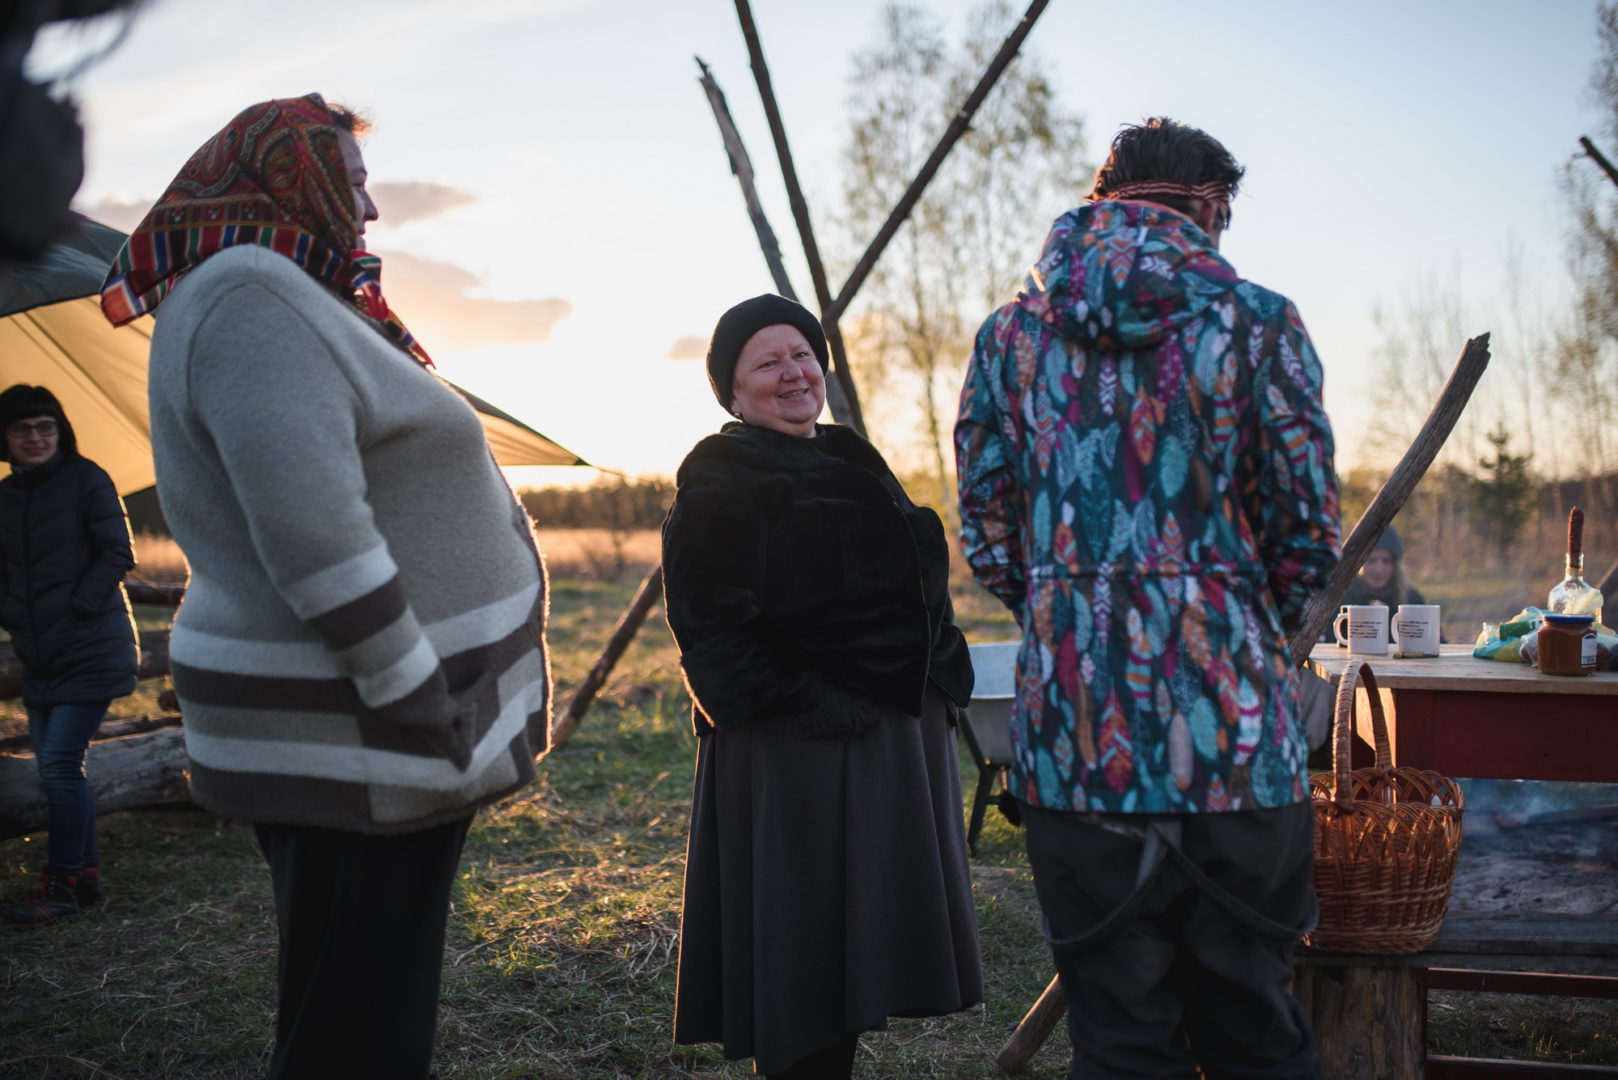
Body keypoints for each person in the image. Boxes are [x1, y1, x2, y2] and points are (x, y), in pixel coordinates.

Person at [99, 95, 551, 1079]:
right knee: (357, 1024)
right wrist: (416, 695)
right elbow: (312, 532)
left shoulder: (283, 295)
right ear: (288, 177)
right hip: (361, 732)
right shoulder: (251, 298)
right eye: (349, 183)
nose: (370, 209)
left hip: (370, 736)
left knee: (365, 998)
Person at [955, 118, 1340, 1079]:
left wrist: (1072, 617)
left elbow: (989, 533)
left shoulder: (1009, 338)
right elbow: (1306, 534)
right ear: (1209, 208)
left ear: (1104, 200)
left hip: (1075, 744)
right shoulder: (1258, 322)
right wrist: (1239, 627)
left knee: (1121, 1045)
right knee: (1255, 1032)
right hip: (1236, 743)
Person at [662, 294, 983, 1079]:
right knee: (802, 961)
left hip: (888, 741)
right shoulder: (721, 474)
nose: (793, 373)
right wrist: (813, 702)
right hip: (796, 752)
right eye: (767, 363)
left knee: (855, 953)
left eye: (802, 354)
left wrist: (943, 665)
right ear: (733, 392)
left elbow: (907, 568)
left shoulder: (850, 455)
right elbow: (714, 631)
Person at [0, 384, 138, 925]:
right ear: (5, 438)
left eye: (45, 427)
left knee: (58, 764)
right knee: (55, 768)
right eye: (22, 429)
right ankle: (84, 879)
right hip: (41, 655)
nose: (35, 437)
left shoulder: (88, 479)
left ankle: (59, 887)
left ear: (60, 430)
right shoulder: (5, 499)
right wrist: (12, 613)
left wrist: (77, 607)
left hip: (92, 645)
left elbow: (117, 552)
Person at [1341, 524, 1426, 610]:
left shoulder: (1412, 600)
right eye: (1371, 560)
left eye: (1386, 561)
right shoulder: (1341, 597)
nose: (1378, 570)